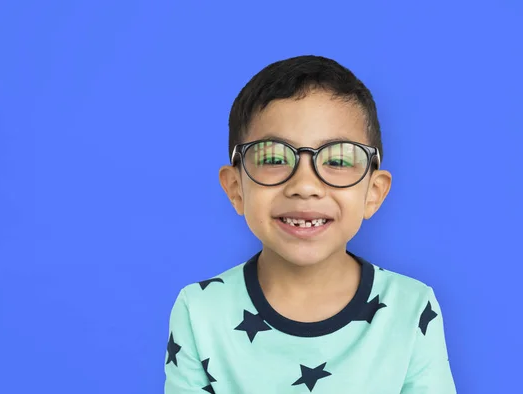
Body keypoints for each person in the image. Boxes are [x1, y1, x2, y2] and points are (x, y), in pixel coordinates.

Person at [163, 55, 457, 393]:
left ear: (373, 193)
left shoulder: (411, 306)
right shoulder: (200, 310)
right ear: (235, 188)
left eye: (337, 159)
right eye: (273, 157)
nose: (305, 185)